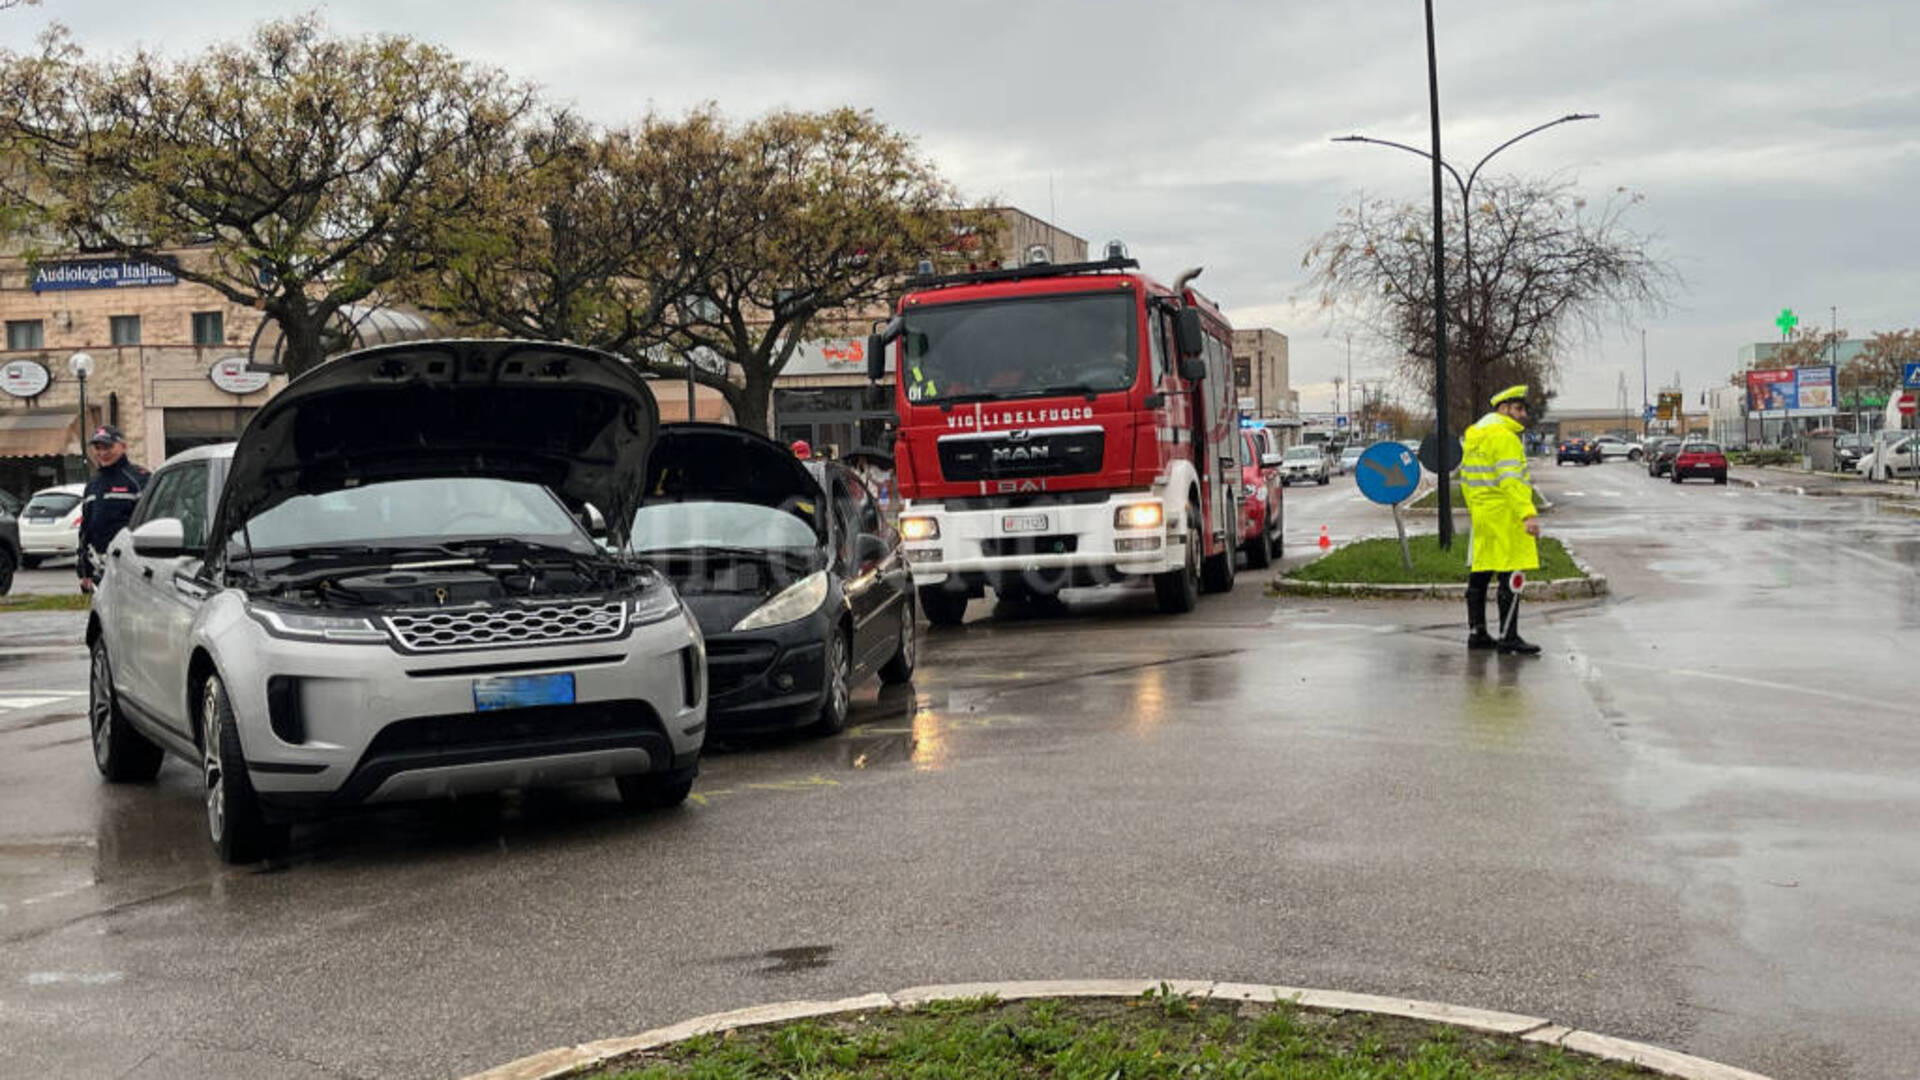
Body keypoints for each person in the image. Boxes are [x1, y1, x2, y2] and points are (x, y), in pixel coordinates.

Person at [1461, 386, 1542, 655]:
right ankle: (1509, 637)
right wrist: (1527, 514)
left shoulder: (1475, 437)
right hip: (1505, 514)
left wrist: (1476, 508)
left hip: (1483, 514)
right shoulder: (1505, 437)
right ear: (1503, 408)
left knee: (1481, 571)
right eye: (1518, 409)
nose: (1522, 416)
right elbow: (1512, 481)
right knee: (1511, 572)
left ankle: (1477, 632)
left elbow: (1466, 481)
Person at [76, 425, 149, 594]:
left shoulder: (139, 479)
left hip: (133, 567)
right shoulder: (93, 484)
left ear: (123, 446)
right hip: (101, 569)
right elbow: (86, 528)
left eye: (108, 447)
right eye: (98, 448)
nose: (102, 453)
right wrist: (83, 570)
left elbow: (151, 522)